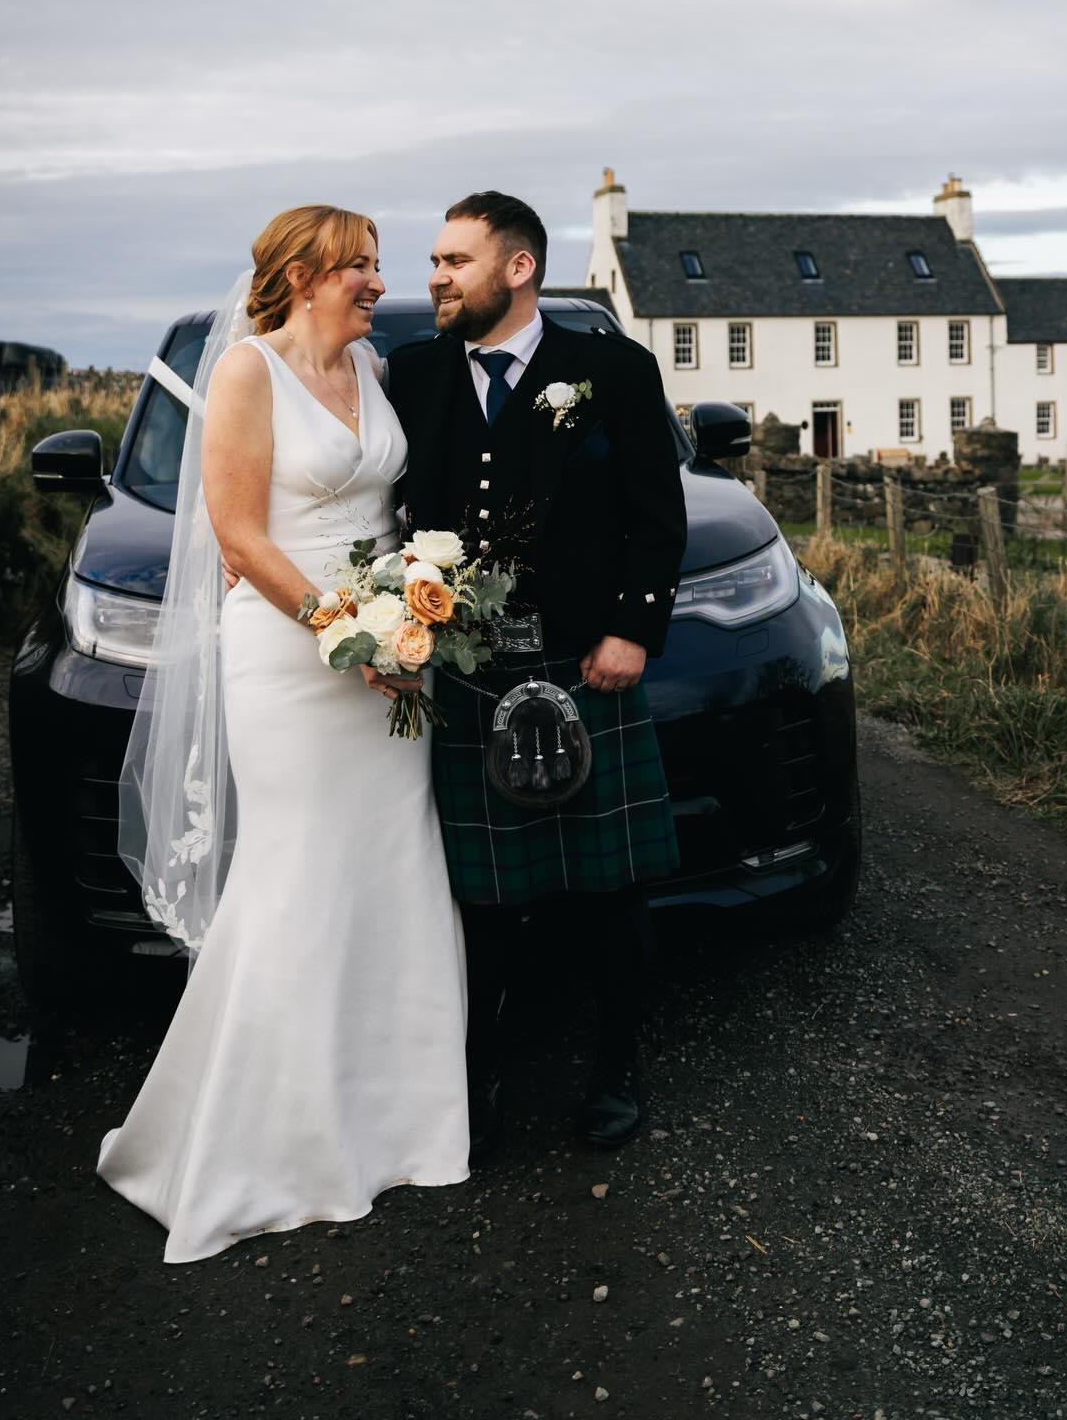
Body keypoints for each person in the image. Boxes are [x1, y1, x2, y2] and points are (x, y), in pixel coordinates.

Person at [98, 205, 469, 1264]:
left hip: (387, 654)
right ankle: (273, 1145)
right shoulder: (247, 374)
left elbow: (392, 518)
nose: (375, 283)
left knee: (394, 870)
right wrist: (344, 629)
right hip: (289, 658)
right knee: (299, 873)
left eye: (375, 266)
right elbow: (239, 531)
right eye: (358, 267)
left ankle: (402, 1132)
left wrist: (414, 606)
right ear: (303, 276)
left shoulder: (376, 378)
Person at [385, 191, 686, 1154]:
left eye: (454, 260)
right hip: (466, 675)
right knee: (481, 901)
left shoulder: (613, 370)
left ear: (517, 268)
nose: (435, 275)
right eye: (433, 260)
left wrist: (634, 628)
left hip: (584, 664)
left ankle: (616, 1069)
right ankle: (475, 1078)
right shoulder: (413, 375)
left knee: (608, 892)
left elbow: (656, 516)